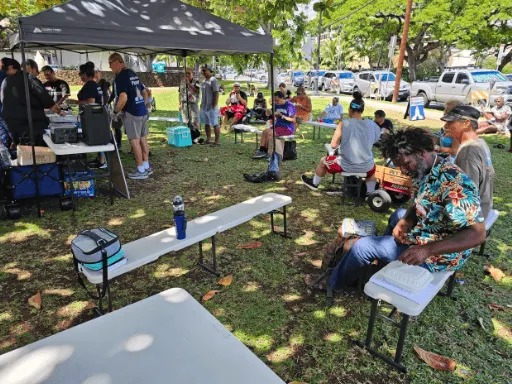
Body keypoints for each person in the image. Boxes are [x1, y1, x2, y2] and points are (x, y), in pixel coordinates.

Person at [320, 128, 486, 290]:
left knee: (363, 247)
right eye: (399, 166)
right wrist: (405, 222)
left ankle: (332, 283)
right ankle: (381, 263)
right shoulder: (426, 168)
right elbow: (421, 203)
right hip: (428, 233)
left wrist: (426, 250)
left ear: (422, 152)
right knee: (397, 216)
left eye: (406, 164)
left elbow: (477, 234)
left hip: (439, 256)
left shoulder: (454, 185)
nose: (403, 171)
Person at [301, 92, 380, 194]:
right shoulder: (372, 124)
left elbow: (333, 145)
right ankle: (370, 193)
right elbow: (375, 140)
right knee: (371, 172)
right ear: (362, 110)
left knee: (323, 161)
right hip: (366, 165)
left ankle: (314, 183)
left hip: (346, 165)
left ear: (350, 110)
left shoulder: (344, 123)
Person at [441, 105, 495, 219]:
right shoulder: (480, 143)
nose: (446, 126)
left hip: (470, 218)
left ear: (466, 123)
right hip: (483, 208)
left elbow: (466, 196)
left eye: (450, 122)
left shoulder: (468, 152)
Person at [1, 58, 64, 146]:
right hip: (30, 124)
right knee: (37, 152)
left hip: (12, 124)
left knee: (23, 150)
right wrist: (59, 111)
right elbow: (44, 97)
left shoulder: (5, 81)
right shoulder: (28, 78)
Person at [109, 53, 151, 180]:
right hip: (142, 112)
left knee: (135, 142)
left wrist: (115, 112)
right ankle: (146, 166)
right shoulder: (132, 73)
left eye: (110, 64)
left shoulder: (120, 77)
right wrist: (142, 105)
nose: (110, 67)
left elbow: (123, 97)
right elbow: (145, 92)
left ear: (116, 62)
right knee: (143, 140)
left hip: (132, 113)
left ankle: (140, 170)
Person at [252, 91, 296, 159]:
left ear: (282, 98)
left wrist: (282, 116)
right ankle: (262, 150)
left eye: (277, 100)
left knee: (270, 133)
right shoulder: (276, 105)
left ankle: (270, 153)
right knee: (265, 132)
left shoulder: (290, 106)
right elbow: (270, 114)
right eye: (274, 100)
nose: (275, 102)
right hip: (277, 126)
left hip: (287, 128)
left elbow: (293, 120)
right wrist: (268, 113)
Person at [199, 64, 220, 146]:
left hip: (211, 106)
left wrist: (214, 105)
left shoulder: (213, 80)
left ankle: (217, 141)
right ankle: (208, 139)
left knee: (215, 124)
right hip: (204, 106)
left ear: (209, 70)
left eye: (204, 70)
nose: (203, 72)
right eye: (202, 70)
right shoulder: (204, 81)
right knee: (206, 123)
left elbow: (216, 93)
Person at [179, 68, 201, 135]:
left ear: (192, 74)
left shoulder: (197, 82)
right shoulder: (182, 81)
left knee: (194, 120)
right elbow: (180, 93)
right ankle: (188, 135)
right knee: (186, 120)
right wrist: (179, 103)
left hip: (193, 103)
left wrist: (189, 84)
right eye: (186, 73)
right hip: (184, 103)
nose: (187, 75)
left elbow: (197, 91)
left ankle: (196, 136)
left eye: (189, 73)